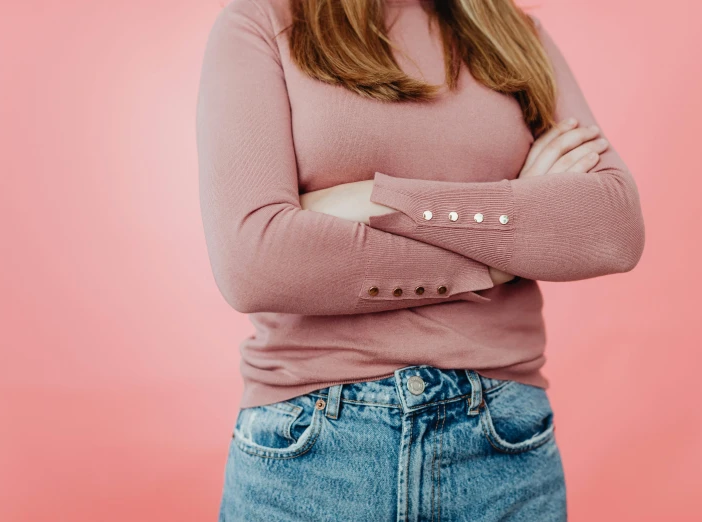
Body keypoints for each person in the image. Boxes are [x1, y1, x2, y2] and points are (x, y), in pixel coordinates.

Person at [195, 0, 645, 519]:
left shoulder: (513, 33)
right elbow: (254, 263)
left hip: (502, 443)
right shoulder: (262, 22)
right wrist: (497, 252)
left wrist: (377, 198)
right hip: (312, 445)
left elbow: (614, 224)